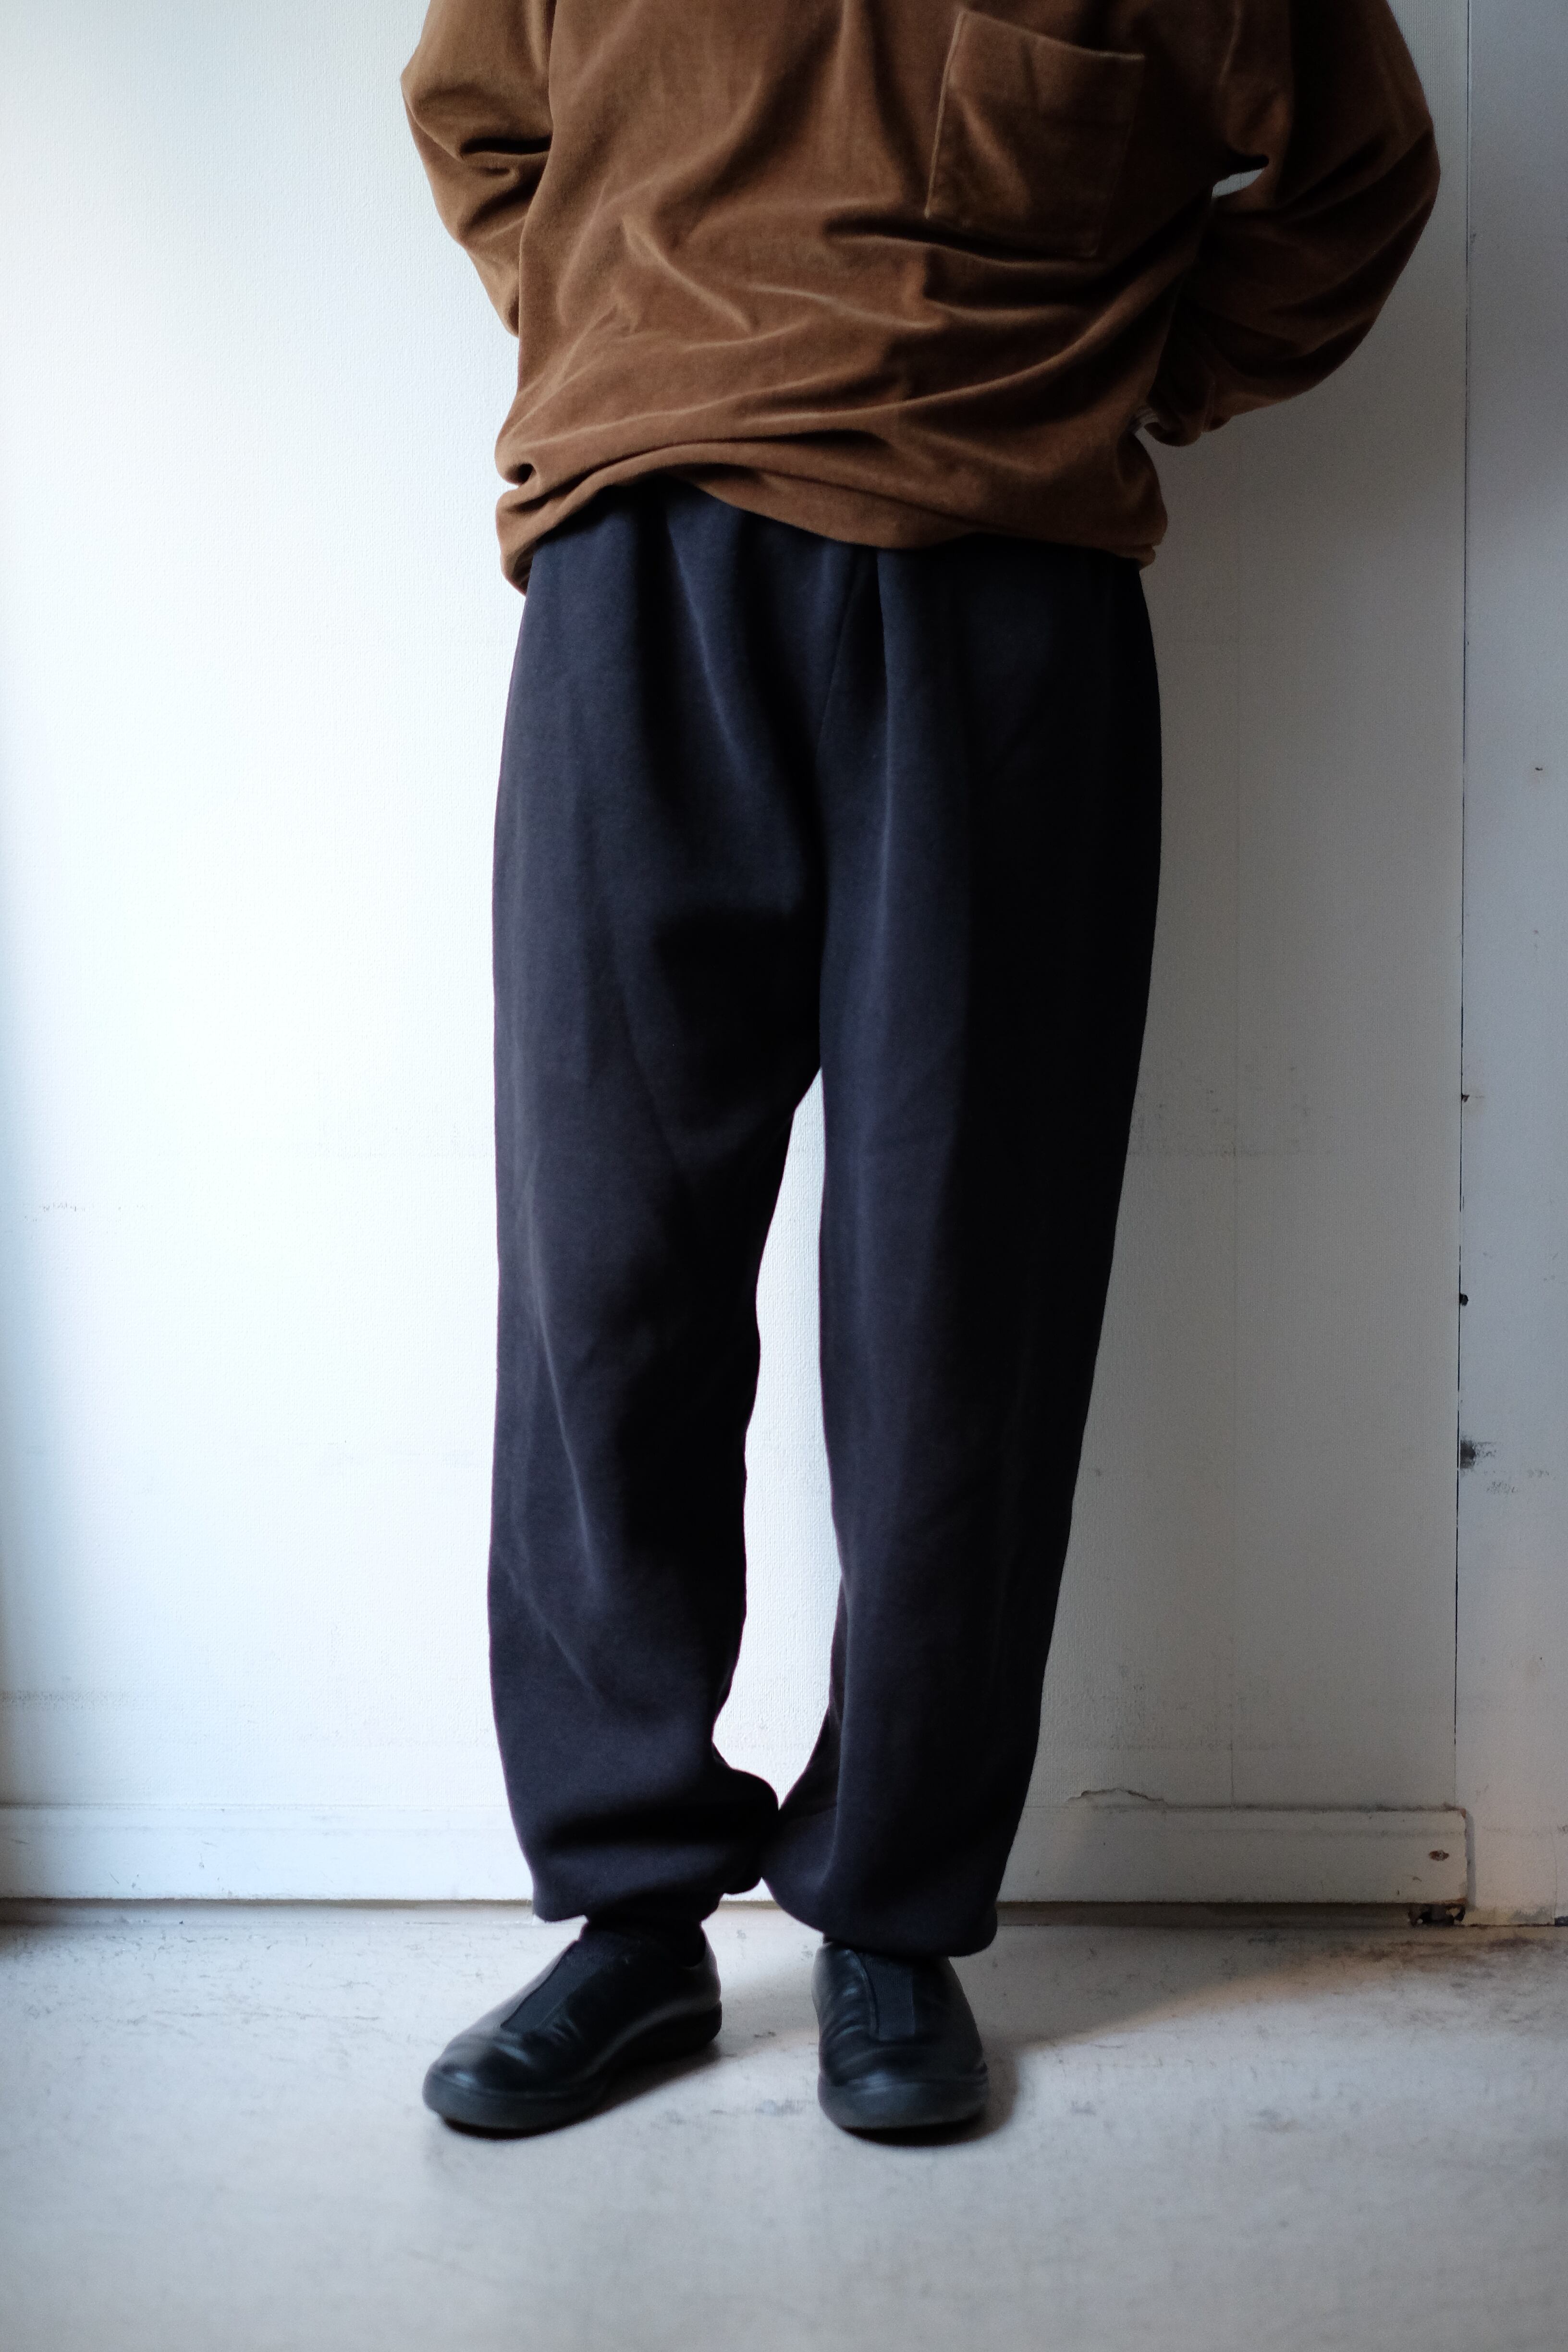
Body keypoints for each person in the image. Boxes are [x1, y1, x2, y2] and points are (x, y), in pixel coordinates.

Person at [401, 0, 1438, 2137]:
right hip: (636, 563)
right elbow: (480, 119)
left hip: (1002, 588)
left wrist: (1127, 374)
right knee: (606, 1272)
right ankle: (629, 1914)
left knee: (964, 1295)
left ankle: (894, 1910)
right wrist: (634, 332)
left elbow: (1356, 173)